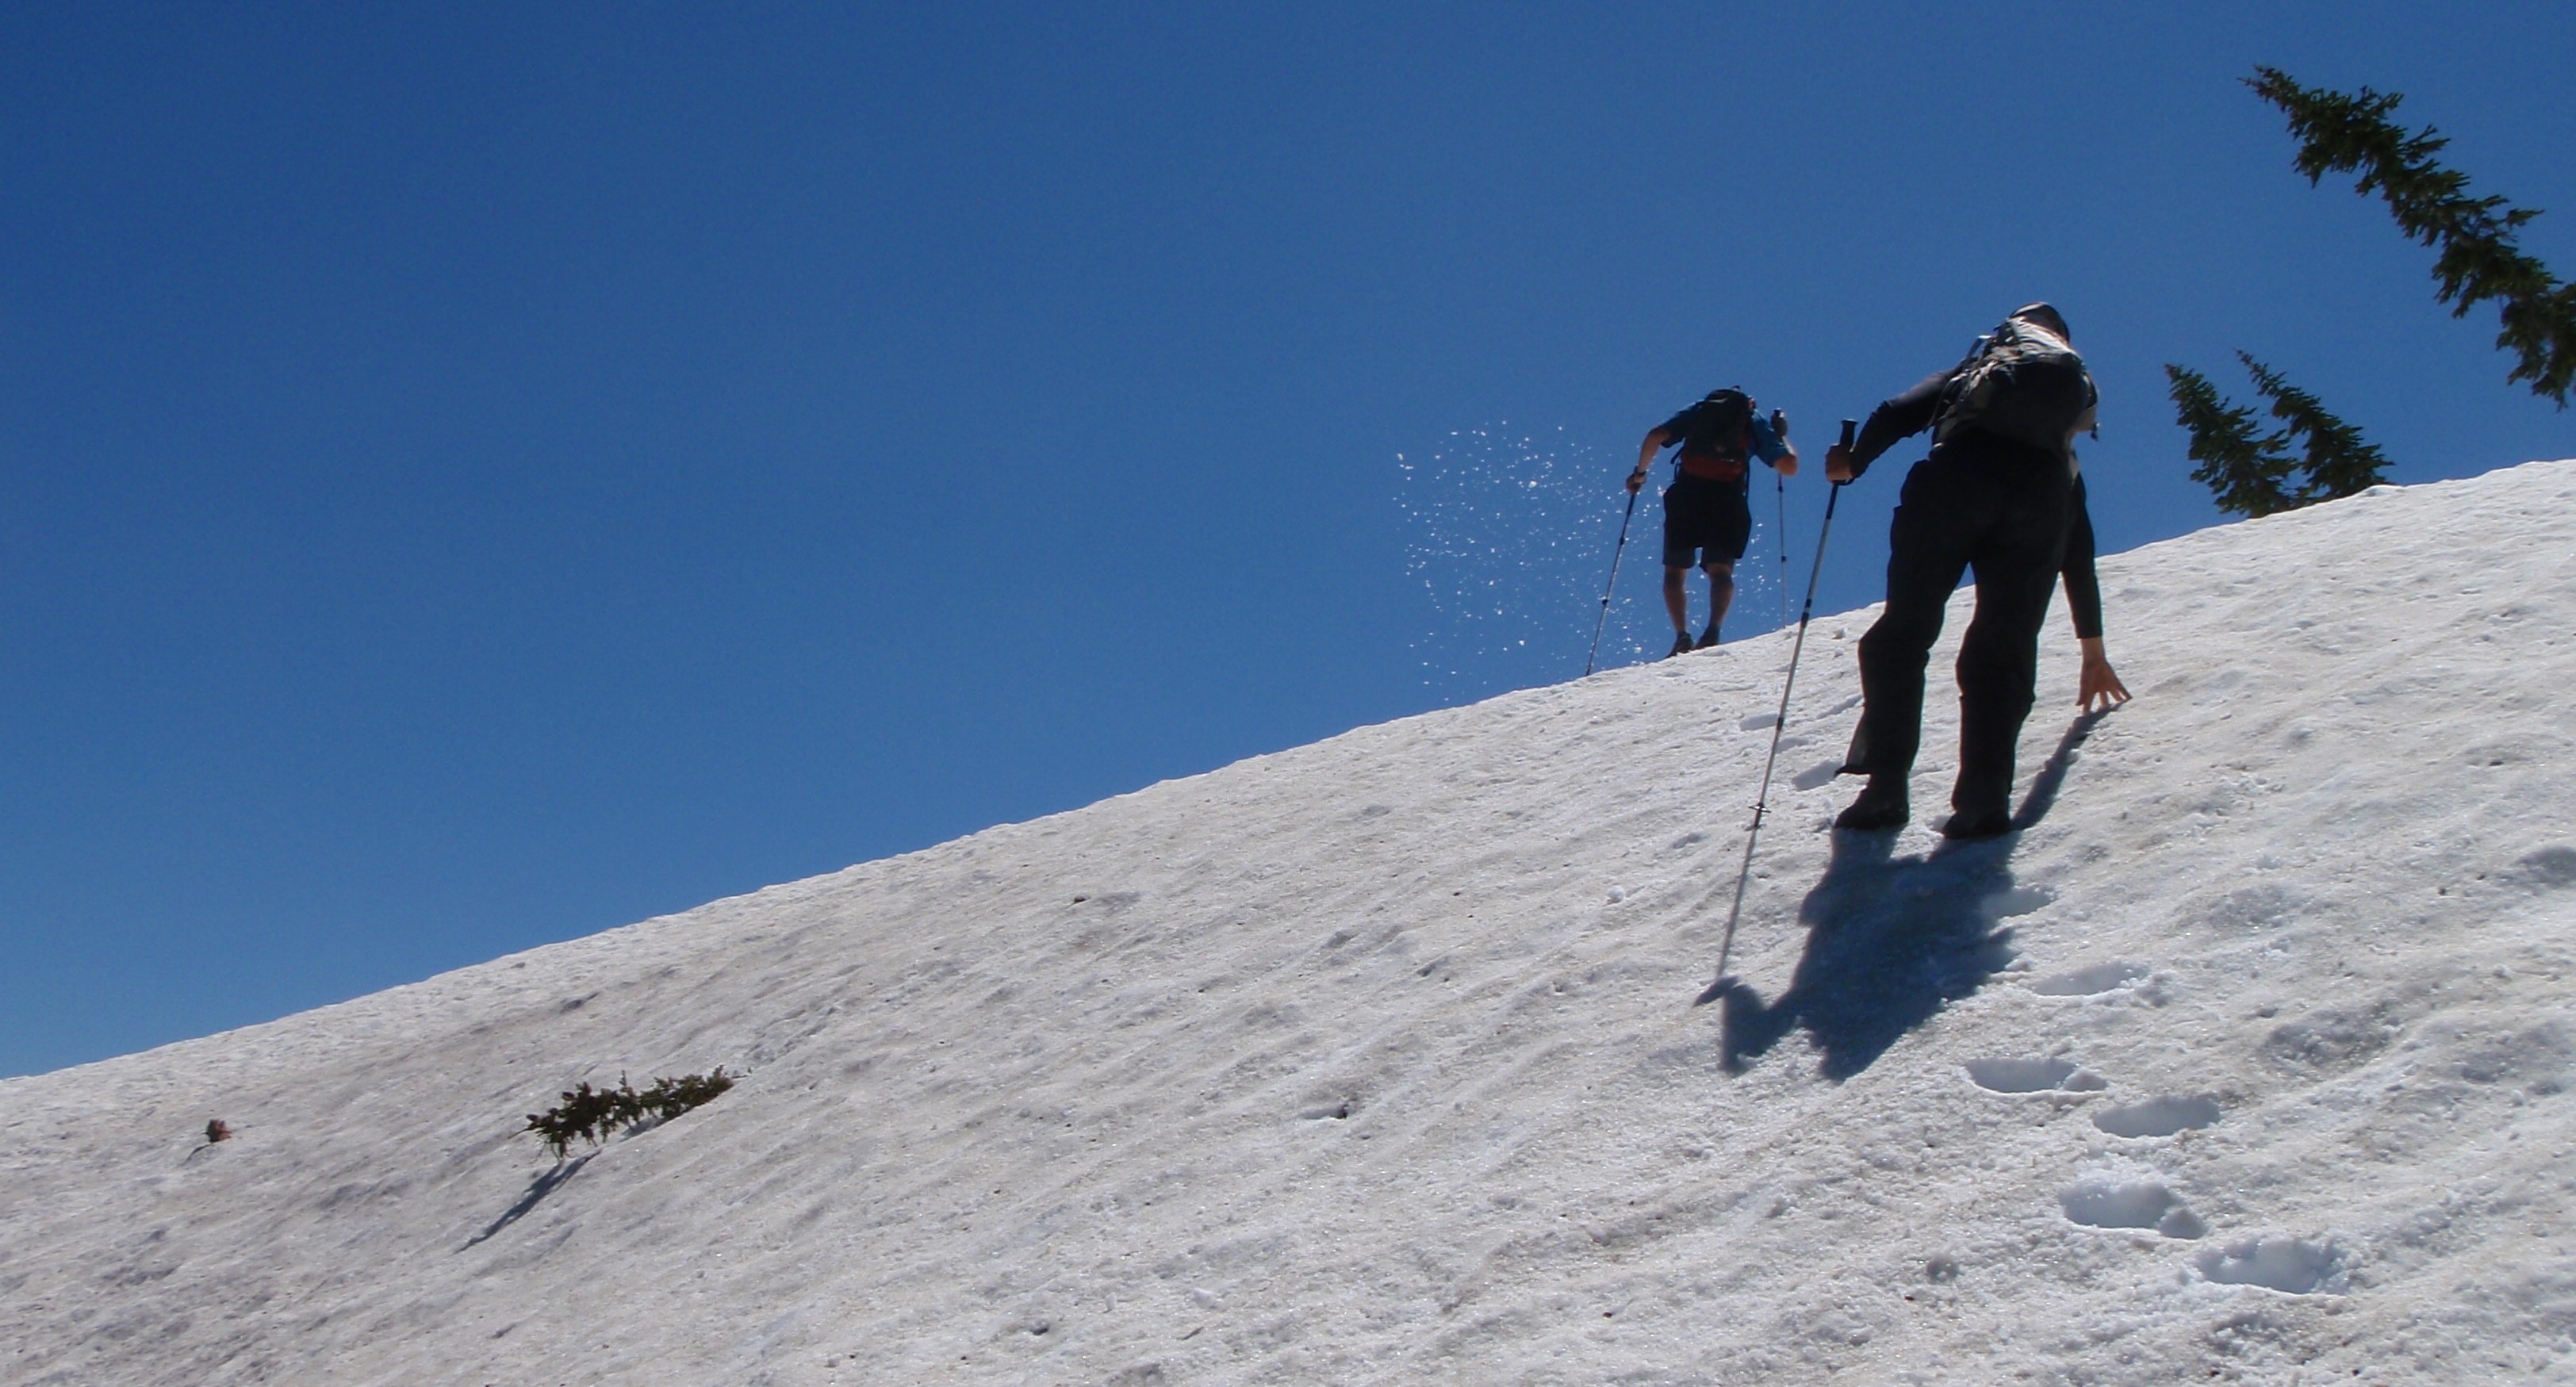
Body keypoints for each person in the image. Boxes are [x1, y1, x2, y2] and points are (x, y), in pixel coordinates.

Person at [1823, 303, 2106, 839]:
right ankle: (1982, 801)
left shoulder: (1983, 363)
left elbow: (1897, 410)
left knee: (1901, 637)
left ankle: (1885, 790)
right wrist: (2092, 647)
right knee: (2003, 646)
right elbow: (2079, 538)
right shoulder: (2062, 417)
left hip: (1957, 479)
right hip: (2041, 498)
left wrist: (1852, 463)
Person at [1627, 389, 1798, 657]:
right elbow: (1789, 466)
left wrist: (1640, 474)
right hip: (1727, 497)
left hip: (1687, 495)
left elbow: (1655, 436)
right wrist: (1781, 434)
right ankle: (1713, 630)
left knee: (1675, 571)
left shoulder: (1700, 410)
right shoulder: (1751, 418)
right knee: (1721, 572)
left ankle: (1682, 636)